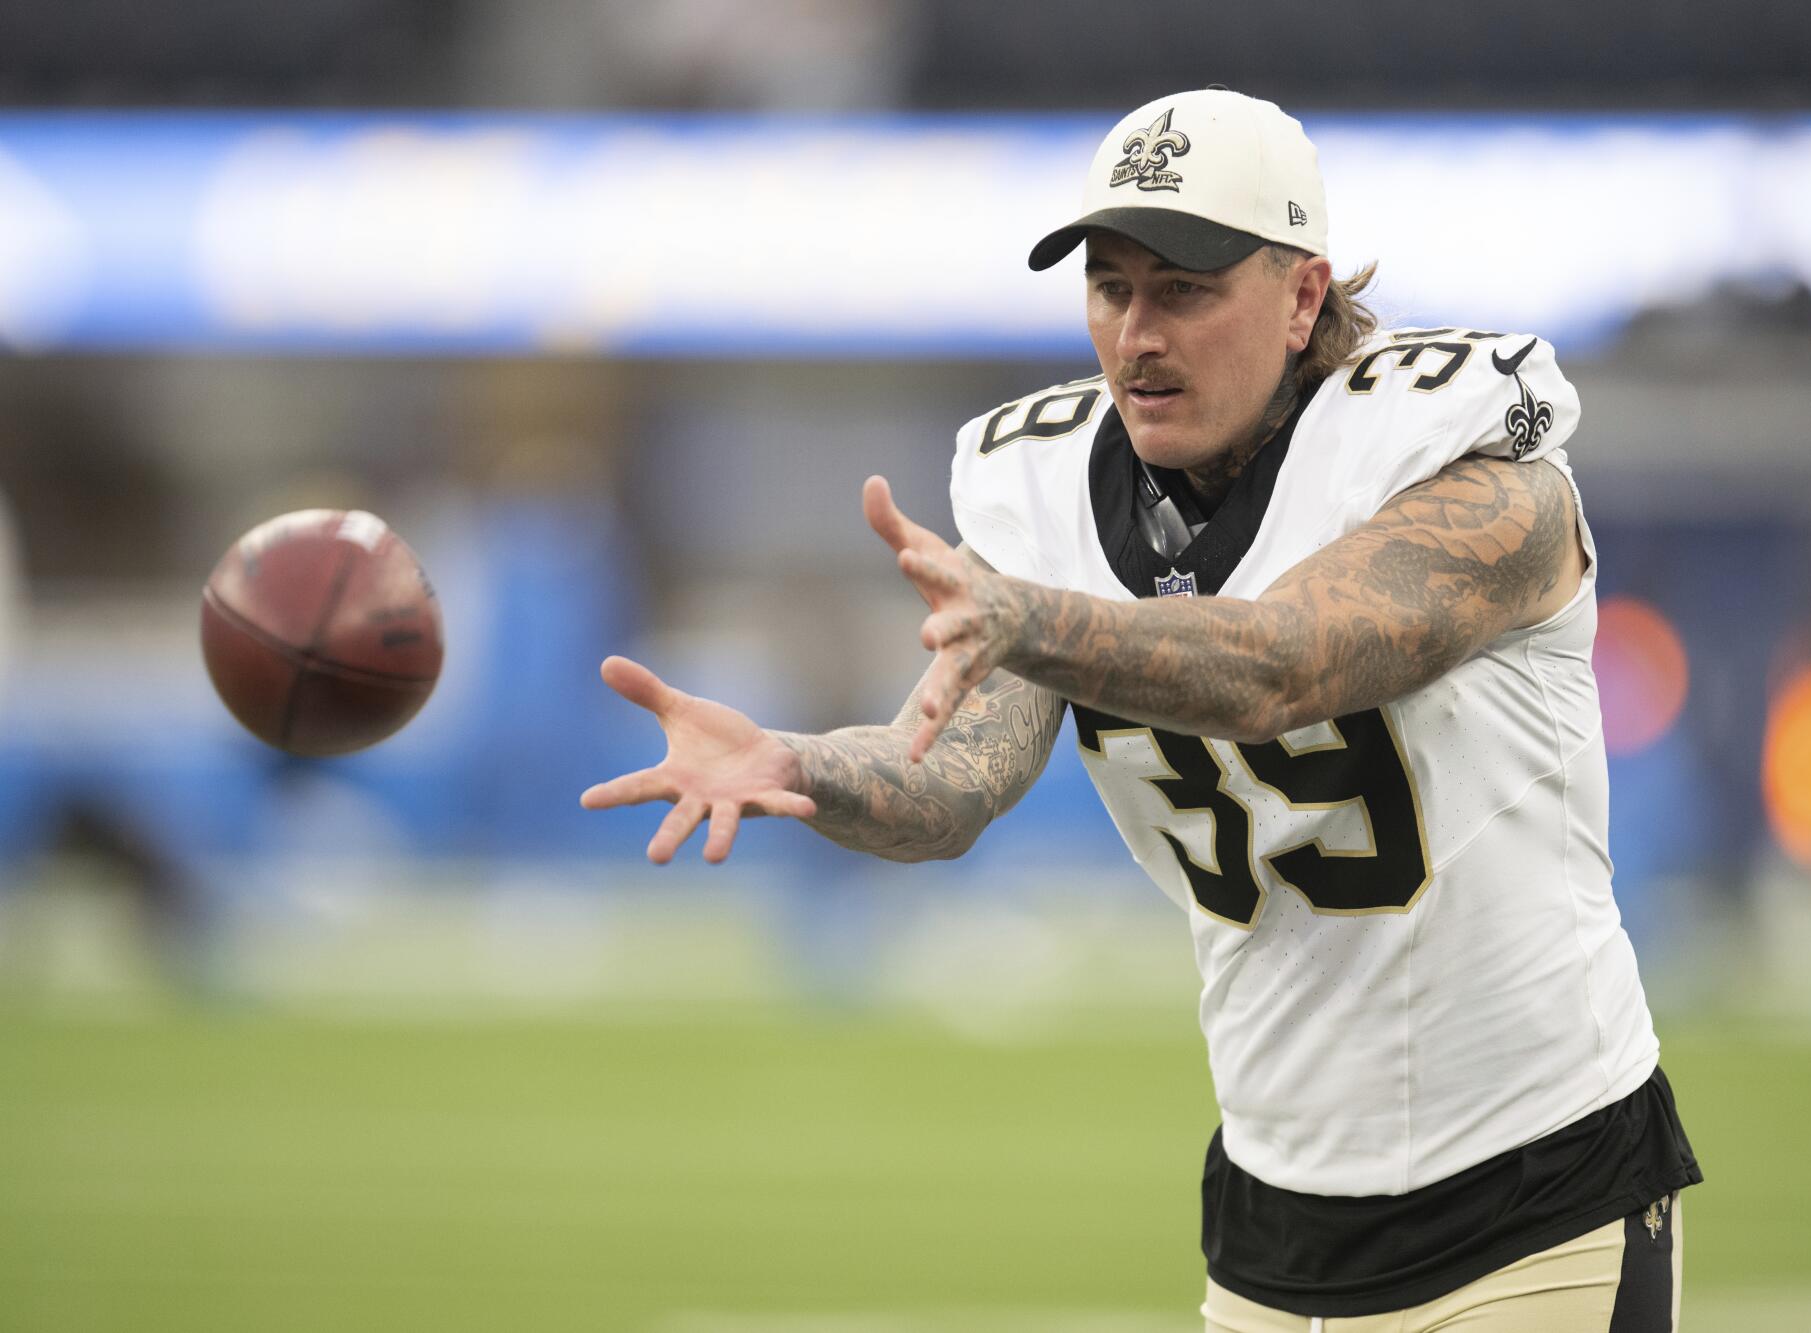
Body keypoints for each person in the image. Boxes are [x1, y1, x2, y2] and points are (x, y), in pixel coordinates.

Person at [584, 88, 1700, 1332]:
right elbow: (947, 786)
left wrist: (1035, 621)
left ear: (1299, 294)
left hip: (1531, 1192)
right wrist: (792, 763)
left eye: (1182, 287)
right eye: (1109, 287)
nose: (1135, 334)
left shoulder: (1463, 460)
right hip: (1271, 1215)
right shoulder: (1046, 487)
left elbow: (1284, 663)